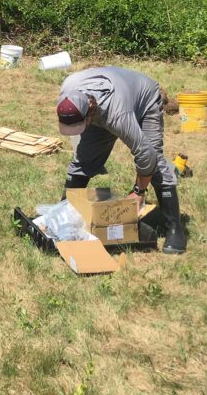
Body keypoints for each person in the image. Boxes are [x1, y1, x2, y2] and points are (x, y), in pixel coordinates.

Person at [55, 66, 186, 254]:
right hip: (105, 101)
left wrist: (138, 191)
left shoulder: (118, 116)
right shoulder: (67, 96)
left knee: (155, 161)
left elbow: (145, 155)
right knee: (84, 159)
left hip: (144, 98)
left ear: (89, 111)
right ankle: (63, 212)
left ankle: (174, 228)